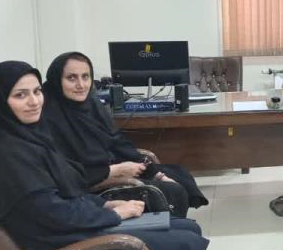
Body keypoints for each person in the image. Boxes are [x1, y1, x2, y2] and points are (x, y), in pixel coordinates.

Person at [0, 61, 208, 250]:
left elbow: (66, 192)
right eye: (20, 95)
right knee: (187, 247)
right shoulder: (4, 153)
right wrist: (115, 214)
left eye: (36, 91)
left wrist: (103, 205)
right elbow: (52, 212)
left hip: (77, 236)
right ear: (1, 101)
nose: (34, 101)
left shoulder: (28, 138)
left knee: (190, 229)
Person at [41, 52, 208, 218]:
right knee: (173, 191)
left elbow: (117, 142)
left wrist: (156, 174)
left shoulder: (92, 105)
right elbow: (66, 175)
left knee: (179, 174)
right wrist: (115, 171)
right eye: (71, 78)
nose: (81, 85)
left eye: (85, 77)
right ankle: (172, 228)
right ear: (57, 80)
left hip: (114, 168)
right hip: (91, 190)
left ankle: (177, 225)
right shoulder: (50, 119)